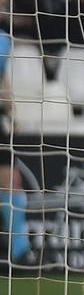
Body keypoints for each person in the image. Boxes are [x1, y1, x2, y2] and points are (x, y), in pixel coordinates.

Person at [0, 21, 35, 269]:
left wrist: (11, 111)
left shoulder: (2, 39)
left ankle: (20, 251)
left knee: (12, 181)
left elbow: (2, 78)